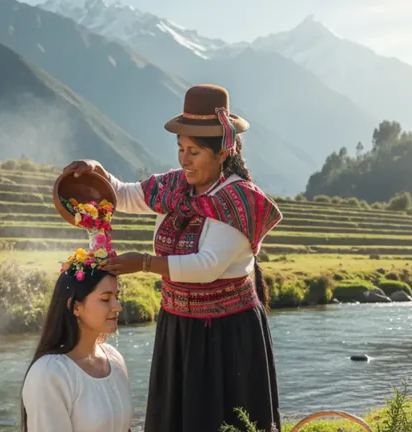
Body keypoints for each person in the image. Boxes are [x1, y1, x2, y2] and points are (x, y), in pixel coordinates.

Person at [62, 84, 284, 432]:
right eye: (181, 149)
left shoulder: (239, 201)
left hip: (225, 334)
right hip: (178, 326)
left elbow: (205, 267)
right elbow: (124, 195)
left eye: (194, 151)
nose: (184, 159)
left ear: (222, 153)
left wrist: (144, 263)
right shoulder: (175, 187)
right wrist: (95, 171)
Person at [20, 255, 133, 432]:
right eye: (105, 299)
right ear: (75, 307)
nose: (118, 306)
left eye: (117, 297)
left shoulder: (114, 359)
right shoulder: (50, 373)